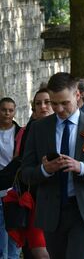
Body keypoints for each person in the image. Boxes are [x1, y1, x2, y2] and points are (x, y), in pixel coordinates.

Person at [20, 72, 84, 258]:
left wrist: (81, 167)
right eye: (54, 103)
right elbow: (25, 173)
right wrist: (44, 170)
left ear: (77, 95)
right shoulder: (38, 128)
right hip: (51, 212)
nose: (58, 109)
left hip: (83, 211)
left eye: (64, 103)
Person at [13, 90, 53, 259]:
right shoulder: (30, 129)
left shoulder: (66, 127)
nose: (43, 107)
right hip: (35, 198)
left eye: (47, 102)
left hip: (61, 200)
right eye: (38, 103)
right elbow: (22, 165)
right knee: (37, 250)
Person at [0, 97, 23, 259]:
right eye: (3, 110)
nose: (7, 113)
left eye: (10, 110)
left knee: (14, 229)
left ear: (15, 111)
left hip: (13, 186)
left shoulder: (20, 132)